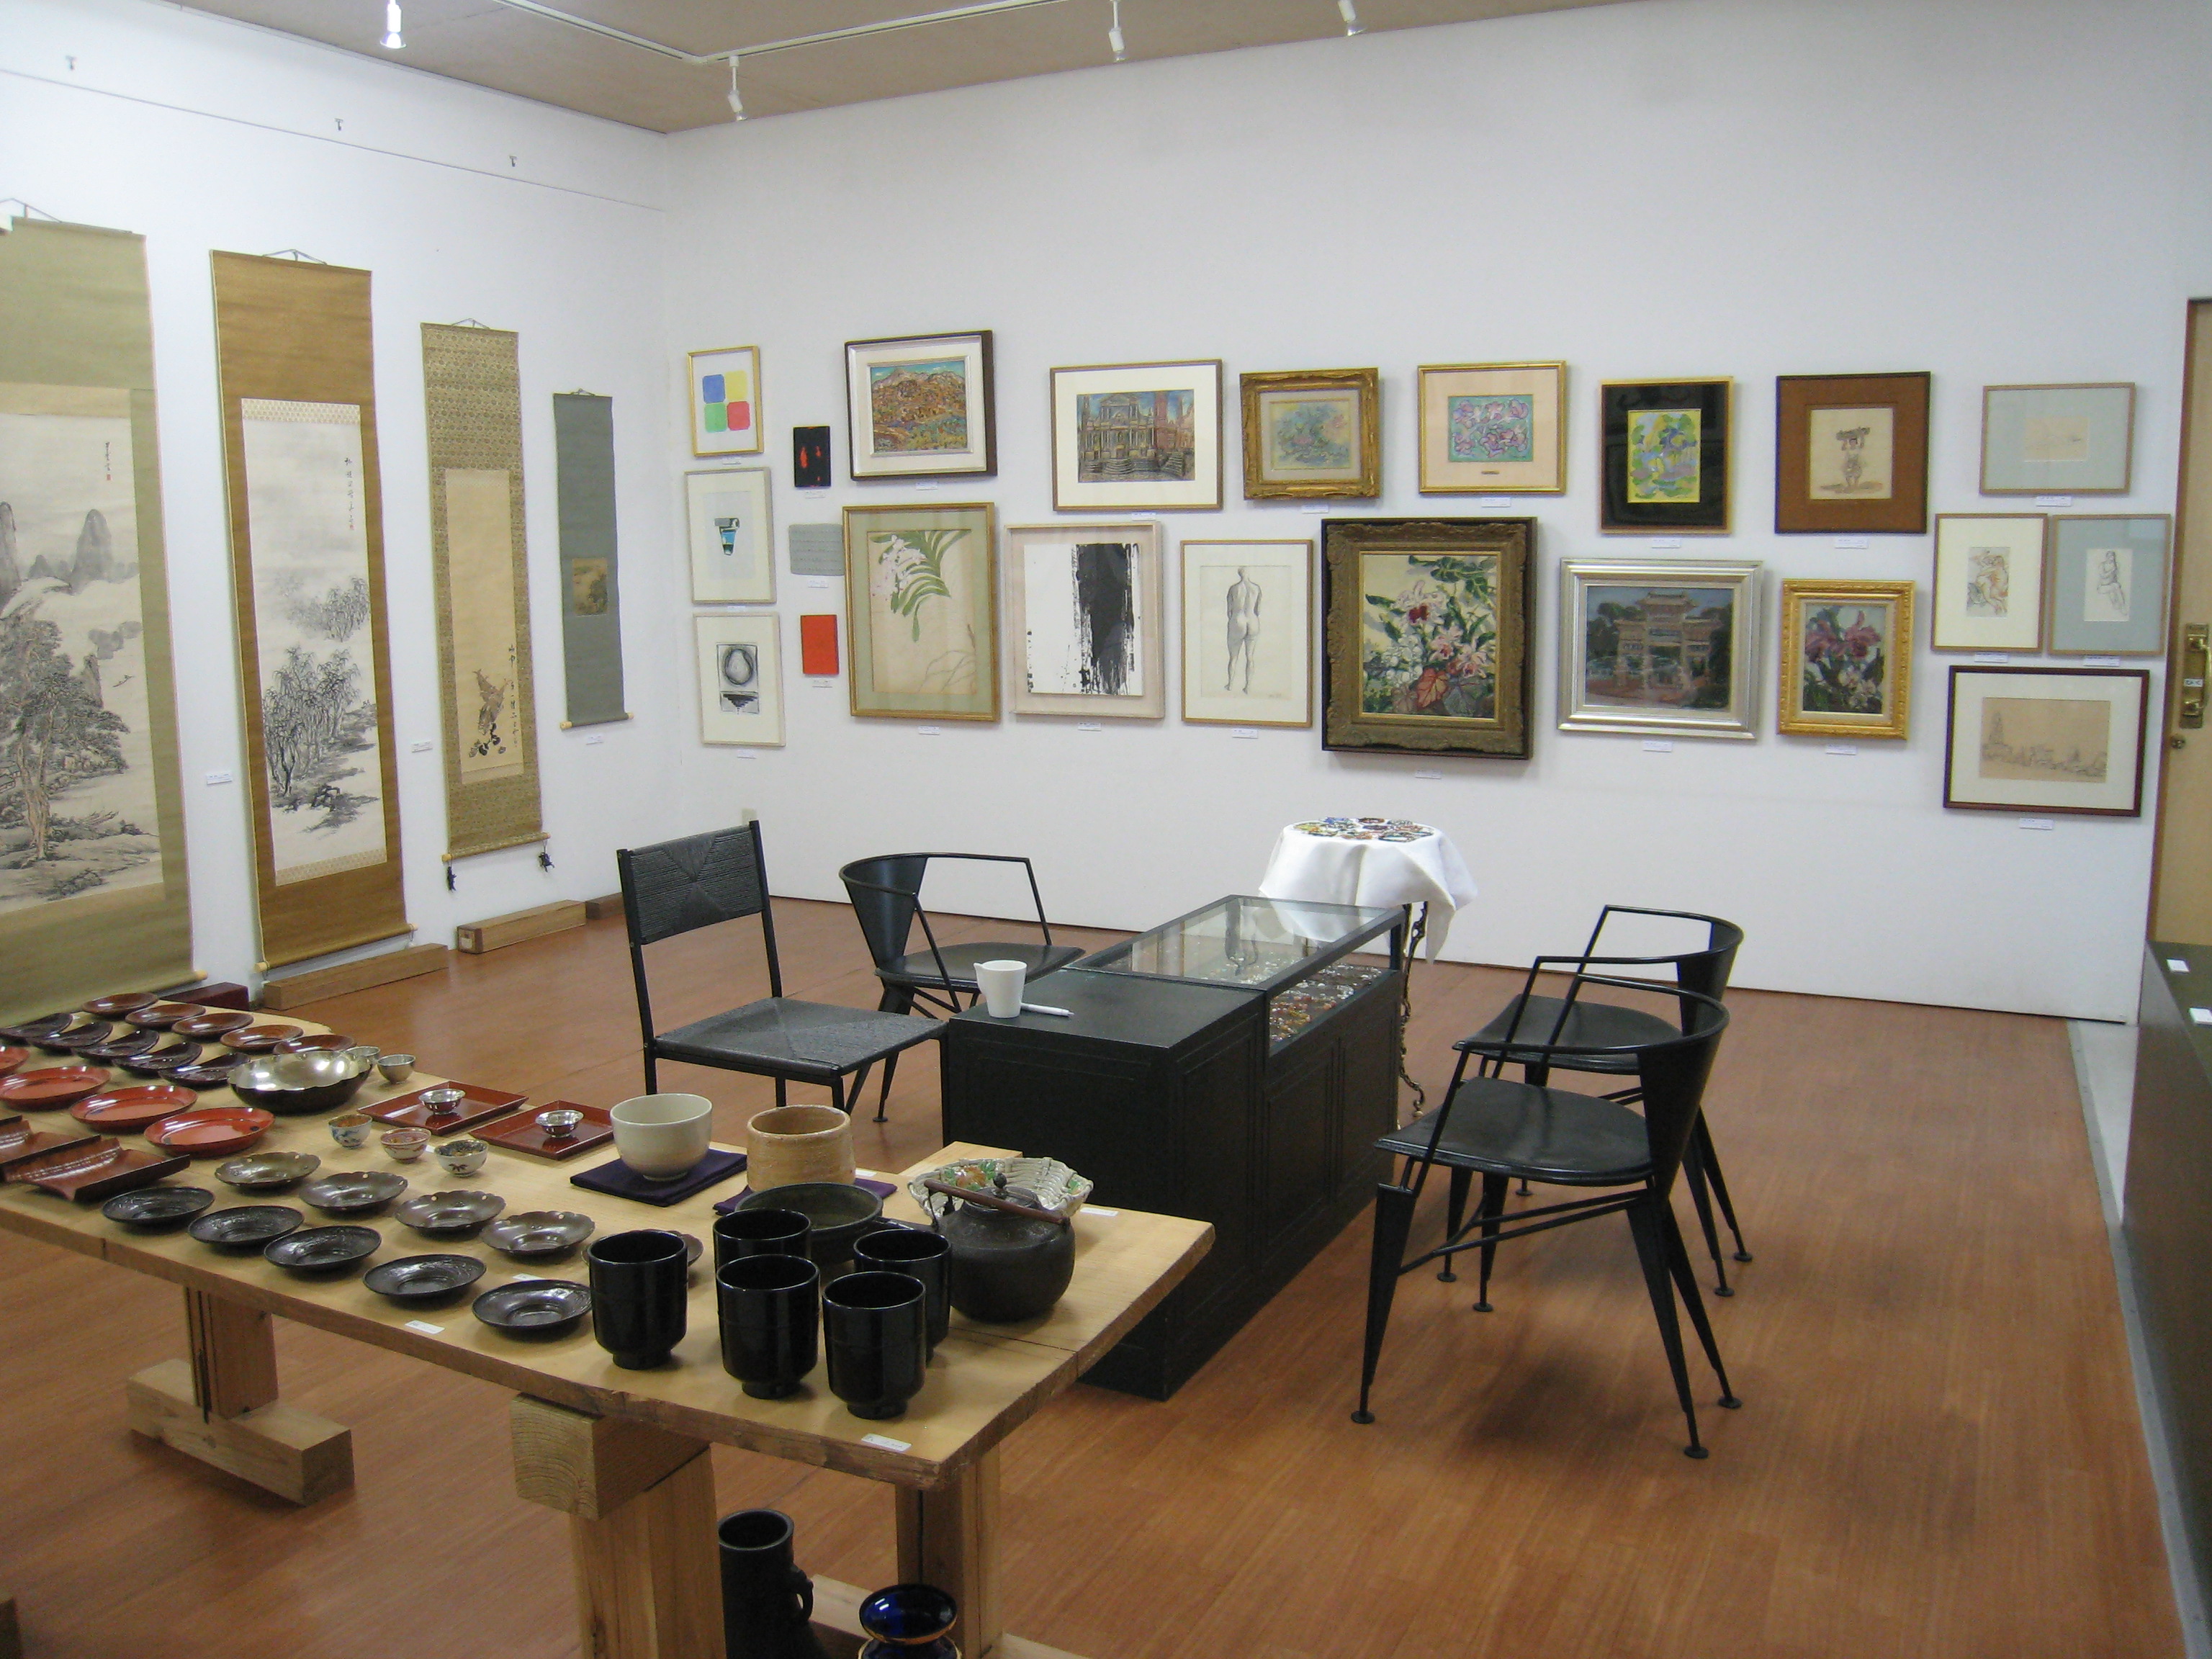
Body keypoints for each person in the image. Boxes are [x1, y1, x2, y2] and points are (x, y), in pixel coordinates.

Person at [1225, 568, 1261, 692]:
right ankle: (1248, 687)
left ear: (1239, 574)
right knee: (1250, 656)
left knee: (1233, 657)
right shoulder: (1256, 589)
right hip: (1253, 621)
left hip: (1238, 620)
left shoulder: (1233, 589)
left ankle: (1230, 684)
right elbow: (1258, 611)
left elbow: (1229, 611)